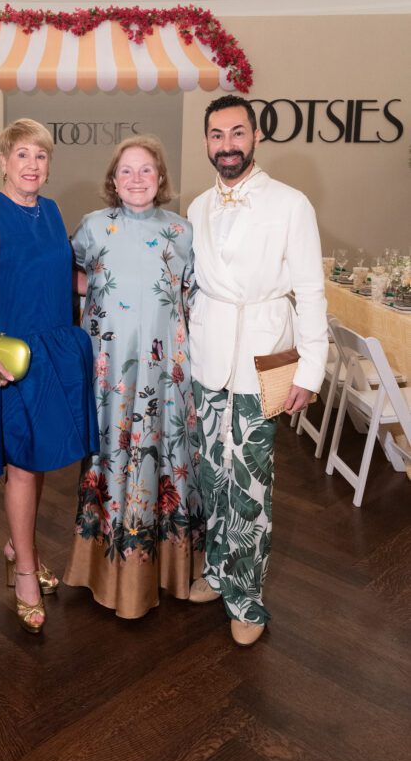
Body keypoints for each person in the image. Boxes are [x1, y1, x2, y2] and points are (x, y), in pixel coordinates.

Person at [0, 118, 98, 633]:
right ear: (5, 162)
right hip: (13, 358)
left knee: (41, 459)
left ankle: (17, 544)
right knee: (24, 466)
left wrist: (119, 279)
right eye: (23, 155)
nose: (32, 165)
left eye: (41, 156)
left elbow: (62, 276)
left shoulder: (50, 210)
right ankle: (26, 571)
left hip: (53, 351)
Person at [187, 94, 328, 646]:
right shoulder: (198, 206)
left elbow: (311, 292)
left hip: (265, 355)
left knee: (250, 479)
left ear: (255, 137)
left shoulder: (291, 204)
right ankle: (216, 569)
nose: (228, 145)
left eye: (237, 133)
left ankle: (246, 599)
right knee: (211, 473)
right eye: (217, 135)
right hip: (207, 357)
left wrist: (310, 371)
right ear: (207, 141)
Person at [63, 136, 205, 619]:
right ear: (113, 179)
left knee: (167, 458)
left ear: (160, 178)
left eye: (146, 169)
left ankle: (166, 569)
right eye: (126, 170)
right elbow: (64, 274)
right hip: (111, 380)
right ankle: (103, 569)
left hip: (167, 377)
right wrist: (99, 291)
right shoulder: (92, 227)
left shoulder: (182, 232)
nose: (137, 178)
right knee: (109, 455)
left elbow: (196, 299)